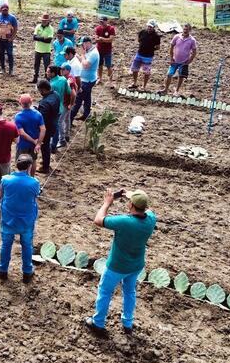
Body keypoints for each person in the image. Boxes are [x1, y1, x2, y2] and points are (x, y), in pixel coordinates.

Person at [84, 188, 156, 336]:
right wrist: (132, 197)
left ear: (130, 205)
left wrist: (107, 203)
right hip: (136, 265)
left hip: (117, 266)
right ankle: (127, 323)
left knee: (105, 292)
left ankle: (98, 323)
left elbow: (98, 220)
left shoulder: (124, 221)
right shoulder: (150, 219)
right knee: (130, 291)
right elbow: (148, 209)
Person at [0, 154, 40, 284]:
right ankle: (27, 272)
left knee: (6, 244)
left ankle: (3, 269)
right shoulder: (34, 183)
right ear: (29, 167)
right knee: (27, 245)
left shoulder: (5, 179)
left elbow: (1, 194)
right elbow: (35, 196)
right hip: (26, 221)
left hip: (9, 219)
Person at [160, 23, 199, 96]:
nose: (185, 31)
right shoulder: (177, 37)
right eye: (184, 29)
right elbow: (171, 47)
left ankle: (177, 91)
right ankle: (166, 89)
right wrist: (171, 58)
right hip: (174, 60)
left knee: (181, 77)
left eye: (187, 30)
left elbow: (194, 52)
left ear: (190, 30)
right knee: (169, 74)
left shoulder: (192, 40)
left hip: (183, 62)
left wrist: (190, 61)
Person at [14, 93, 45, 175]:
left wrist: (34, 142)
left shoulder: (18, 116)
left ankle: (23, 178)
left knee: (21, 162)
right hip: (33, 145)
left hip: (23, 144)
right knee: (33, 161)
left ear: (20, 104)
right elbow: (43, 129)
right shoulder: (38, 114)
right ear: (31, 102)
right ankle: (31, 178)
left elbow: (22, 133)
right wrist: (38, 143)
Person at [71, 37, 100, 122]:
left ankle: (70, 118)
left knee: (78, 99)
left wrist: (82, 55)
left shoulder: (94, 53)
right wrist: (78, 57)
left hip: (88, 80)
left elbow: (86, 65)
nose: (82, 47)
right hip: (85, 79)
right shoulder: (88, 51)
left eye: (82, 45)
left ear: (87, 43)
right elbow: (83, 61)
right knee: (87, 98)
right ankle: (86, 115)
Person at [36, 80, 60, 174]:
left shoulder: (45, 103)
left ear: (43, 90)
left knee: (45, 146)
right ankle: (46, 161)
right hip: (54, 123)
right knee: (47, 145)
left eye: (40, 91)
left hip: (46, 127)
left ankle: (45, 167)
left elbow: (41, 118)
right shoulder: (56, 94)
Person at [131, 20, 162, 90]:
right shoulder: (142, 32)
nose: (149, 28)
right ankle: (134, 83)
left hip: (148, 56)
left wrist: (151, 49)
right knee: (134, 69)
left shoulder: (156, 36)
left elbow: (158, 47)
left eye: (151, 27)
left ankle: (144, 86)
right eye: (148, 26)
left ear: (154, 27)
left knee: (146, 72)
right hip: (139, 53)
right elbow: (139, 40)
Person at [47, 66, 72, 152]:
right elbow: (69, 91)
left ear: (53, 73)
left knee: (55, 126)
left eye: (48, 72)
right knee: (60, 123)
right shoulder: (63, 79)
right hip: (62, 106)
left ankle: (56, 143)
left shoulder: (51, 85)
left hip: (53, 109)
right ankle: (63, 138)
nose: (47, 73)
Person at [0, 4, 18, 75]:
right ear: (1, 10)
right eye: (3, 10)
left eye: (6, 10)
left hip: (8, 40)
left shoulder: (12, 18)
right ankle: (2, 69)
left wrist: (12, 37)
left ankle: (11, 70)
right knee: (1, 54)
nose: (5, 11)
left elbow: (15, 28)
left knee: (10, 54)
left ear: (8, 10)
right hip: (0, 39)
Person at [31, 13, 54, 84]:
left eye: (46, 20)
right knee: (36, 65)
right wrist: (43, 38)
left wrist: (39, 38)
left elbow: (49, 40)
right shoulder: (38, 26)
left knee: (46, 66)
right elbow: (34, 37)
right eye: (43, 20)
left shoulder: (51, 28)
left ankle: (47, 80)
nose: (44, 21)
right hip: (38, 49)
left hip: (46, 51)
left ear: (48, 21)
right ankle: (35, 78)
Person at [60, 63, 79, 145]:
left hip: (66, 103)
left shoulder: (69, 80)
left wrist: (71, 104)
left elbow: (74, 93)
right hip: (68, 102)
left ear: (67, 70)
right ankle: (67, 135)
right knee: (67, 119)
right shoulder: (70, 78)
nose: (61, 71)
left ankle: (62, 139)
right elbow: (77, 87)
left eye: (63, 69)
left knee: (60, 121)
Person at [95, 15, 116, 85]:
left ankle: (110, 81)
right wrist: (104, 40)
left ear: (106, 21)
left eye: (103, 21)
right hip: (99, 50)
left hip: (107, 51)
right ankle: (100, 78)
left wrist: (102, 39)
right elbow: (96, 40)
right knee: (99, 65)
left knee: (108, 66)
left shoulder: (111, 29)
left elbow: (111, 40)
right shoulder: (98, 28)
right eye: (100, 21)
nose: (101, 23)